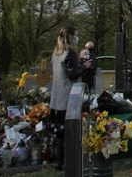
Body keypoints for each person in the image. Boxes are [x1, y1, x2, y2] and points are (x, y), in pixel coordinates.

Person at [50, 26, 93, 170]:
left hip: (56, 98)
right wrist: (85, 66)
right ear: (70, 37)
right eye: (76, 35)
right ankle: (71, 159)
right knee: (70, 131)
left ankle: (59, 162)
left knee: (59, 132)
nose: (77, 38)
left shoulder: (56, 53)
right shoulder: (70, 53)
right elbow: (73, 73)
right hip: (69, 97)